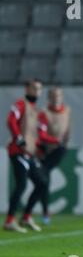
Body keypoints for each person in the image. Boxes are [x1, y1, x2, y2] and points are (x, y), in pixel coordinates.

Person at [4, 79, 60, 233]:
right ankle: (9, 220)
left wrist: (56, 141)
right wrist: (18, 137)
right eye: (34, 88)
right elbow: (11, 120)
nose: (37, 92)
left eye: (39, 89)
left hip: (29, 154)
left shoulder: (37, 112)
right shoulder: (20, 104)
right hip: (18, 152)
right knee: (21, 185)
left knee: (42, 182)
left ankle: (26, 216)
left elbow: (41, 134)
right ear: (27, 89)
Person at [36, 87, 71, 225]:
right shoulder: (44, 113)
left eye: (58, 95)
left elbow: (68, 129)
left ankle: (41, 212)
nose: (56, 98)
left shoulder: (66, 111)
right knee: (44, 181)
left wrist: (64, 142)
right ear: (49, 98)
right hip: (46, 150)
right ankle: (43, 212)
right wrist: (54, 141)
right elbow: (41, 134)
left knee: (44, 178)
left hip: (59, 150)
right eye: (53, 96)